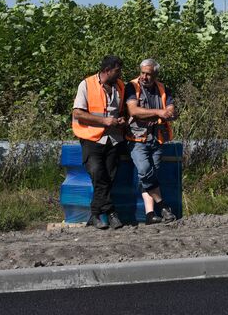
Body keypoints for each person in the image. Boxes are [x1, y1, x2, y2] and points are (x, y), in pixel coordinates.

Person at [71, 55, 128, 230]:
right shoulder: (86, 84)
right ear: (106, 70)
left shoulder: (120, 86)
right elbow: (77, 113)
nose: (119, 74)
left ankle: (95, 215)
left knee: (108, 177)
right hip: (91, 137)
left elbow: (121, 111)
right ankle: (111, 212)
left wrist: (122, 120)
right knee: (98, 173)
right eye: (117, 71)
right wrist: (105, 121)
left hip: (114, 139)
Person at [126, 58, 178, 225]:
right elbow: (134, 111)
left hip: (157, 138)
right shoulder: (131, 87)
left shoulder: (163, 89)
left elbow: (170, 108)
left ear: (155, 74)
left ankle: (149, 214)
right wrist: (159, 112)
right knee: (145, 171)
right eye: (142, 73)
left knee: (150, 178)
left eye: (148, 74)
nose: (144, 77)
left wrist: (168, 112)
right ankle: (163, 206)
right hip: (137, 138)